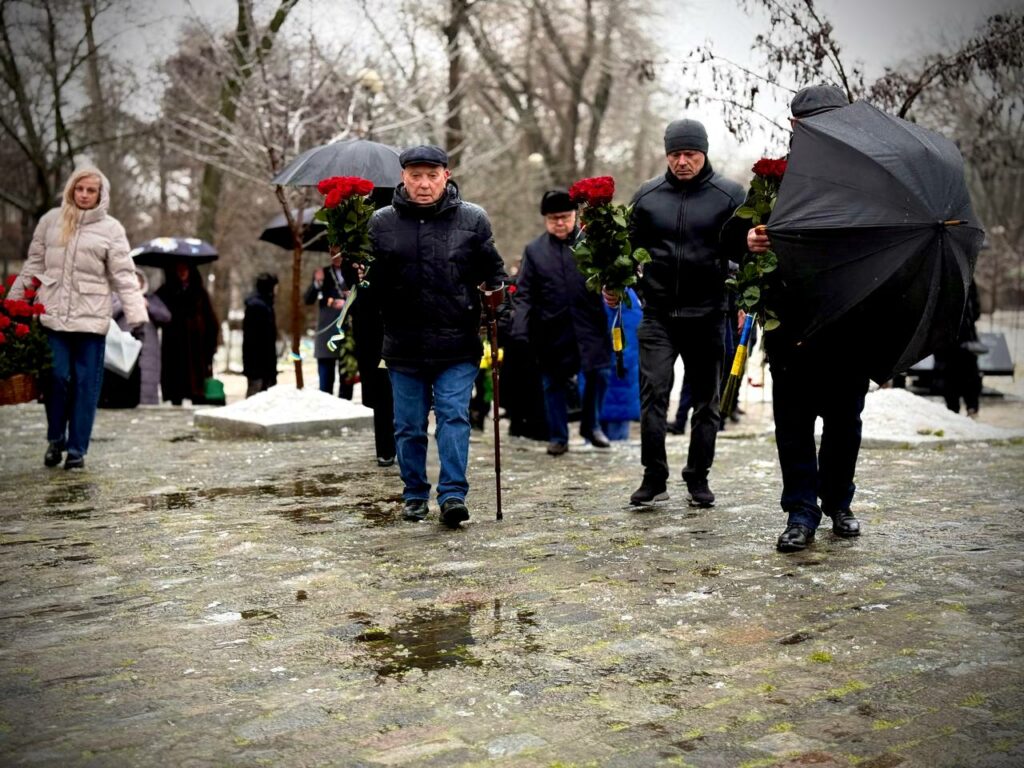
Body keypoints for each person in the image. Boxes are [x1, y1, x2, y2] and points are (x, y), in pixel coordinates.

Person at [724, 83, 864, 552]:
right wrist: (748, 240)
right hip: (790, 324)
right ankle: (801, 511)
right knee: (794, 424)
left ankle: (838, 501)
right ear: (794, 126)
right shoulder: (774, 180)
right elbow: (729, 235)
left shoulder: (864, 179)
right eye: (810, 124)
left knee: (844, 422)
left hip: (847, 320)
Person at [606, 118, 745, 507]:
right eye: (675, 154)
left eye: (690, 154)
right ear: (667, 155)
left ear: (704, 153)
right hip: (659, 314)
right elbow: (625, 251)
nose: (682, 162)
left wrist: (739, 295)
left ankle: (698, 477)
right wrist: (616, 283)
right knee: (653, 395)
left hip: (709, 314)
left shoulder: (731, 196)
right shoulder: (648, 196)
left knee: (706, 401)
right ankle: (654, 477)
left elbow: (746, 254)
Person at [368, 144, 507, 527]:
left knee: (453, 416)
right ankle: (415, 494)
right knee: (409, 426)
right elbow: (369, 283)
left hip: (457, 343)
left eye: (432, 176)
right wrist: (355, 272)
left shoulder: (473, 219)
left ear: (446, 175)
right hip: (404, 345)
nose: (424, 184)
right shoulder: (381, 223)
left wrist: (498, 303)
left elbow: (493, 272)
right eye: (416, 176)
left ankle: (452, 495)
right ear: (403, 178)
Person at [7, 167, 148, 469]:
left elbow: (124, 275)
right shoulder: (50, 221)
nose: (84, 195)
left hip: (91, 320)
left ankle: (77, 449)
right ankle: (56, 438)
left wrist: (137, 316)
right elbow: (34, 265)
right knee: (55, 378)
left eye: (91, 190)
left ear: (100, 194)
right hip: (53, 316)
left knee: (86, 385)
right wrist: (13, 304)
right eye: (80, 189)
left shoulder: (111, 229)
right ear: (71, 189)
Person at [513, 189, 612, 456]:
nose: (559, 223)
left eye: (565, 217)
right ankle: (558, 436)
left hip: (590, 324)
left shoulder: (592, 244)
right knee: (553, 383)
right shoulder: (534, 251)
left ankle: (591, 425)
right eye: (553, 218)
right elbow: (524, 293)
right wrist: (520, 329)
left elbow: (610, 276)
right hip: (552, 328)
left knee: (599, 374)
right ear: (545, 219)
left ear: (575, 216)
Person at [100, 267, 171, 408]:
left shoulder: (151, 299)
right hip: (123, 348)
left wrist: (147, 305)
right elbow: (107, 314)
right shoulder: (116, 298)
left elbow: (166, 316)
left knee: (147, 381)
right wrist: (127, 303)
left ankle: (146, 405)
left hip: (148, 352)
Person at [156, 260, 219, 405]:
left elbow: (210, 319)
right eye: (179, 269)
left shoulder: (199, 292)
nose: (182, 273)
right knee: (175, 380)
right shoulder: (166, 291)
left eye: (185, 269)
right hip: (174, 343)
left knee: (196, 382)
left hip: (196, 344)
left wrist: (211, 345)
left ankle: (196, 397)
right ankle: (176, 398)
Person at [304, 248, 355, 399]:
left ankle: (345, 408)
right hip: (326, 332)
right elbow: (308, 299)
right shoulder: (323, 273)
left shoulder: (354, 272)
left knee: (347, 381)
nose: (336, 256)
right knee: (325, 384)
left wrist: (348, 302)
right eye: (333, 253)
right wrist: (317, 282)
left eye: (339, 252)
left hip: (349, 333)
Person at [934, 278, 983, 416]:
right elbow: (976, 311)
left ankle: (954, 409)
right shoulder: (967, 276)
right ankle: (971, 407)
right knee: (968, 373)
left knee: (949, 375)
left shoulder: (938, 277)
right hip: (964, 337)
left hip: (945, 338)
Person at [242, 272, 279, 397]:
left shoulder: (264, 304)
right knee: (255, 396)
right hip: (259, 362)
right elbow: (259, 339)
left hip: (260, 362)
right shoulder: (258, 307)